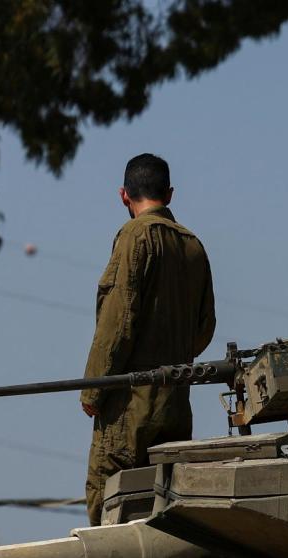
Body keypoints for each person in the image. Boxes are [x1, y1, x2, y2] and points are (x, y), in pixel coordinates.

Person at [82, 153, 216, 528]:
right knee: (165, 513)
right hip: (175, 406)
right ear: (169, 194)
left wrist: (94, 389)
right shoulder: (194, 246)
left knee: (110, 508)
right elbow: (205, 327)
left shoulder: (133, 236)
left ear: (124, 196)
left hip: (128, 408)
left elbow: (117, 321)